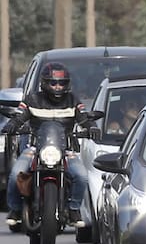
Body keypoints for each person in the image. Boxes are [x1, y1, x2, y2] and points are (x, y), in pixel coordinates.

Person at [4, 63, 89, 227]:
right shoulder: (32, 99)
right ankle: (15, 209)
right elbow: (20, 116)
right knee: (16, 174)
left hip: (65, 150)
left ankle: (73, 210)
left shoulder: (73, 100)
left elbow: (84, 118)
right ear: (44, 83)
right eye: (53, 83)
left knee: (81, 175)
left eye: (62, 83)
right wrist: (12, 125)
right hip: (35, 148)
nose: (58, 87)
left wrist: (91, 128)